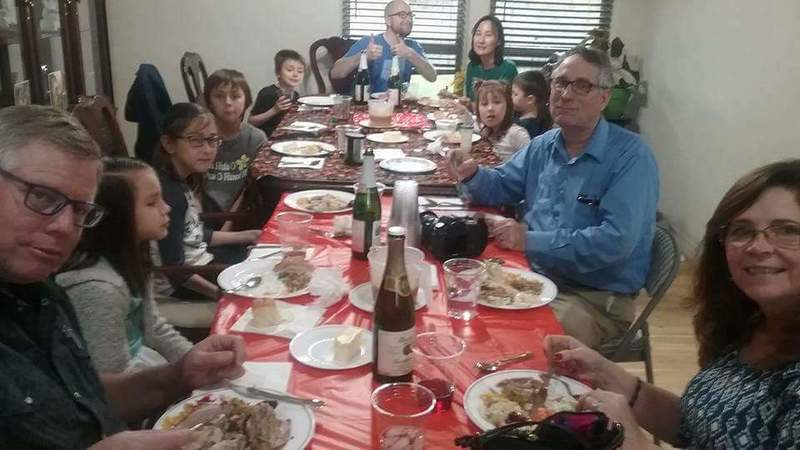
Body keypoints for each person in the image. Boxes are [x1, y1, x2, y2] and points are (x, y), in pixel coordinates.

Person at [0, 105, 246, 449]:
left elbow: (82, 396)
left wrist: (179, 375)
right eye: (41, 196)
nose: (64, 227)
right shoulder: (91, 286)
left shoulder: (41, 292)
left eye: (80, 210)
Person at [544, 159, 800, 449]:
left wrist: (633, 441)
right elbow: (696, 427)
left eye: (787, 230)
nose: (759, 246)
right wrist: (605, 372)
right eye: (742, 230)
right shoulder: (750, 324)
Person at [448, 47, 659, 348]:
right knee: (456, 295)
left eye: (582, 85)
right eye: (560, 82)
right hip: (532, 274)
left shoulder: (631, 157)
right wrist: (472, 173)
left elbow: (615, 241)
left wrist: (529, 240)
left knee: (521, 342)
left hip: (592, 298)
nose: (565, 94)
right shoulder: (543, 146)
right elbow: (503, 184)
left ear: (604, 97)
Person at [56, 158, 193, 373]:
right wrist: (181, 378)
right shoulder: (98, 290)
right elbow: (112, 380)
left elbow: (154, 328)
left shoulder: (136, 256)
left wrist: (196, 360)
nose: (167, 208)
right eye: (151, 202)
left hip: (149, 370)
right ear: (117, 216)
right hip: (132, 390)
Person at [152, 103, 261, 300]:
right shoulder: (169, 195)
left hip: (203, 261)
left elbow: (193, 234)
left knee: (264, 256)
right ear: (168, 144)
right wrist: (222, 295)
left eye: (212, 140)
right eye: (195, 140)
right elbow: (175, 270)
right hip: (185, 282)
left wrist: (249, 235)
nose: (208, 149)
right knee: (266, 274)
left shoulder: (183, 180)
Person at [330, 0, 436, 93]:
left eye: (410, 15)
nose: (409, 20)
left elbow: (432, 77)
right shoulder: (369, 42)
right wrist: (363, 56)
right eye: (402, 15)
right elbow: (335, 73)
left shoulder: (412, 46)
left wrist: (410, 54)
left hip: (399, 107)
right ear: (388, 20)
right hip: (369, 106)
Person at [203, 69, 266, 213]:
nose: (228, 103)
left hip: (240, 213)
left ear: (247, 101)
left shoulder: (256, 139)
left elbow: (251, 189)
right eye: (219, 96)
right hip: (203, 215)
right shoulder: (201, 138)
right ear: (209, 102)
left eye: (235, 96)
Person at [249, 49, 305, 138]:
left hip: (288, 136)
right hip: (269, 138)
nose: (295, 74)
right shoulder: (268, 93)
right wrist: (275, 110)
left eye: (300, 71)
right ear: (278, 73)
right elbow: (251, 122)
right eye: (290, 70)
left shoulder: (295, 95)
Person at [463, 15, 518, 102]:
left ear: (499, 41)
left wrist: (470, 106)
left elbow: (506, 108)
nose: (481, 40)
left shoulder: (508, 68)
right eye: (478, 34)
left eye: (488, 35)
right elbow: (471, 101)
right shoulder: (472, 67)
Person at [474, 79, 530, 161]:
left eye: (497, 102)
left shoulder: (517, 134)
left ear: (508, 106)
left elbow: (532, 166)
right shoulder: (484, 130)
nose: (490, 108)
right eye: (484, 104)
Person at [512, 70, 553, 139]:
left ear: (530, 99)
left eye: (515, 94)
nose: (510, 96)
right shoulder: (542, 115)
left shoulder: (526, 127)